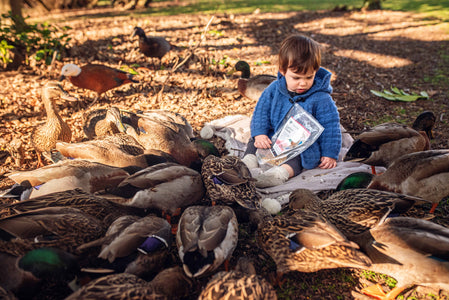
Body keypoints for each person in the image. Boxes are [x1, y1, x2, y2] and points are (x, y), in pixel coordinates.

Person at [242, 34, 342, 188]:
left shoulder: (321, 98)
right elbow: (261, 111)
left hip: (298, 145)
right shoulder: (274, 89)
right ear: (283, 71)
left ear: (316, 71)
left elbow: (331, 126)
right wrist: (260, 133)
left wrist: (330, 154)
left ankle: (279, 174)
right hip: (273, 135)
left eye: (309, 77)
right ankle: (247, 162)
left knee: (299, 159)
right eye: (296, 78)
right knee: (255, 140)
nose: (303, 83)